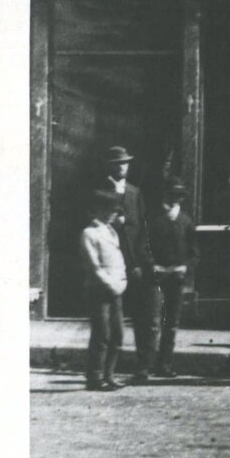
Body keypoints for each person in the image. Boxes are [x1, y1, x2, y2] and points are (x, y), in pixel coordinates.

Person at [96, 145, 154, 380]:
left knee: (142, 316)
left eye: (126, 163)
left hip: (133, 264)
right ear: (110, 166)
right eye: (119, 163)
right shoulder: (99, 191)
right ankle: (108, 368)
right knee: (111, 320)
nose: (124, 167)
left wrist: (140, 262)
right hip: (110, 264)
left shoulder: (134, 192)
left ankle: (143, 366)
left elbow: (142, 230)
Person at [143, 176, 197, 378]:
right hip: (156, 278)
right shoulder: (153, 219)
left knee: (172, 323)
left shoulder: (186, 221)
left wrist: (185, 267)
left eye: (179, 196)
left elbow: (194, 251)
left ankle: (164, 364)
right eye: (172, 195)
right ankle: (145, 366)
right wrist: (152, 266)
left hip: (176, 278)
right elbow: (143, 246)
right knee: (153, 322)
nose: (176, 199)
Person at [80, 190, 129, 392]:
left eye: (115, 211)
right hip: (100, 289)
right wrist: (110, 284)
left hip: (116, 288)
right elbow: (94, 265)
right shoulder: (89, 233)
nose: (113, 214)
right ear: (98, 210)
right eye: (109, 210)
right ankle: (94, 377)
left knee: (117, 333)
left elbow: (117, 260)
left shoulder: (111, 231)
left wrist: (122, 282)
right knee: (102, 334)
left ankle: (110, 374)